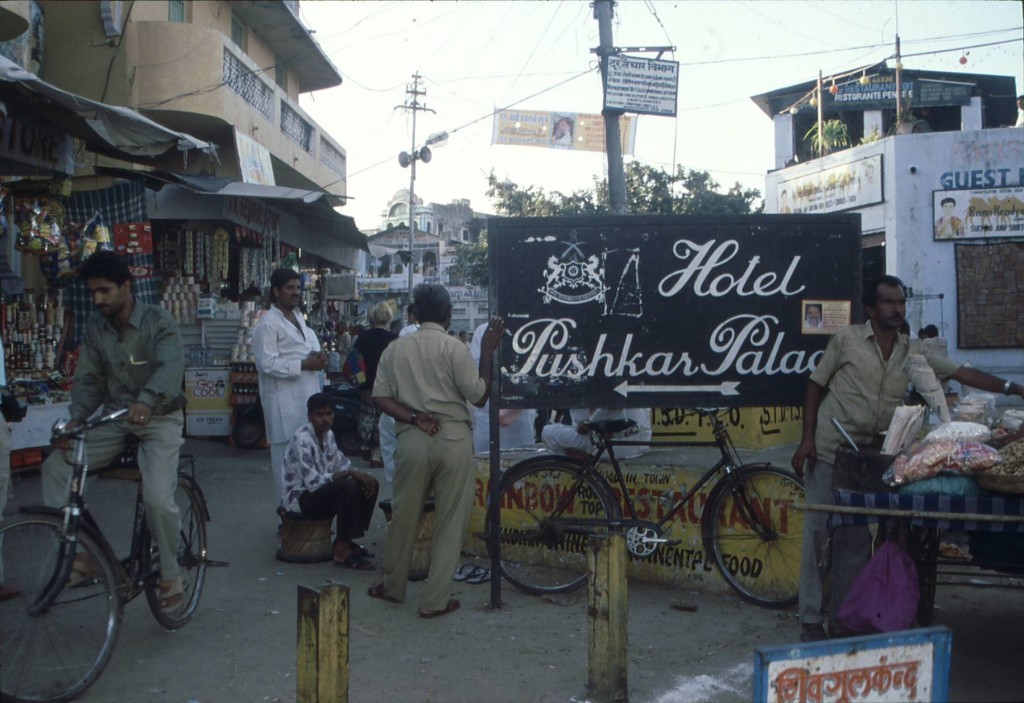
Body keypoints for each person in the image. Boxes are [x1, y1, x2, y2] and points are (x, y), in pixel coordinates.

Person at [790, 275, 1024, 642]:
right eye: (888, 302)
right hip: (830, 447)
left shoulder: (912, 350)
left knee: (855, 539)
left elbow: (960, 372)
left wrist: (1015, 388)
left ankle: (840, 619)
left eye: (900, 302)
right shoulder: (846, 340)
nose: (896, 308)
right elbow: (814, 385)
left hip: (872, 456)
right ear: (871, 308)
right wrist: (806, 440)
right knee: (820, 534)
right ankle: (809, 620)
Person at [40, 251, 187, 613]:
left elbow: (171, 368)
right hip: (115, 418)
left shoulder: (158, 321)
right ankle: (80, 555)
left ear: (126, 286)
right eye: (93, 292)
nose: (97, 299)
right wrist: (77, 418)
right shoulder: (96, 327)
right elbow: (89, 379)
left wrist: (147, 400)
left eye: (104, 291)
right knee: (56, 467)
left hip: (160, 417)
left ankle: (172, 574)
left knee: (157, 498)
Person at [367, 283, 503, 618]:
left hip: (413, 437)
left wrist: (414, 417)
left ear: (414, 313)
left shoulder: (395, 349)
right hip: (454, 439)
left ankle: (392, 586)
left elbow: (380, 397)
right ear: (448, 315)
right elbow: (479, 396)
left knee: (404, 516)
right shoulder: (454, 347)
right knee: (450, 522)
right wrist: (487, 352)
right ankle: (435, 600)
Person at [252, 268, 328, 504]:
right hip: (284, 406)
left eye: (298, 287)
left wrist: (318, 358)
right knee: (286, 469)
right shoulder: (268, 324)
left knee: (310, 465)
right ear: (276, 291)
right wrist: (304, 364)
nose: (296, 292)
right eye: (290, 288)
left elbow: (308, 350)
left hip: (306, 400)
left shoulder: (299, 319)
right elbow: (266, 364)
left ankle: (311, 518)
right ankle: (287, 518)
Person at [281, 393, 379, 568]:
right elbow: (313, 483)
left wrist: (360, 474)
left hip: (320, 492)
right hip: (300, 498)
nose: (325, 419)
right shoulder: (301, 439)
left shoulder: (329, 435)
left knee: (369, 483)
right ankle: (342, 549)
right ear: (310, 416)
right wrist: (348, 474)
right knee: (348, 487)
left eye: (329, 414)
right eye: (319, 414)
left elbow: (342, 464)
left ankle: (346, 541)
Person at [468, 321, 537, 454]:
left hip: (521, 418)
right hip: (487, 416)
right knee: (486, 462)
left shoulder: (530, 328)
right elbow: (476, 371)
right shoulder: (482, 331)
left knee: (522, 461)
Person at [352, 302, 398, 462]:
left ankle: (365, 446)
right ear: (389, 317)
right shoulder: (394, 339)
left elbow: (354, 359)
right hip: (387, 384)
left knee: (367, 414)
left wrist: (360, 380)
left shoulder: (363, 337)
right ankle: (378, 452)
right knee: (384, 417)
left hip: (366, 383)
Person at [541, 408, 652, 461]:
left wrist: (589, 422)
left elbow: (582, 425)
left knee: (548, 432)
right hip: (641, 442)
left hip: (614, 445)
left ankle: (578, 459)